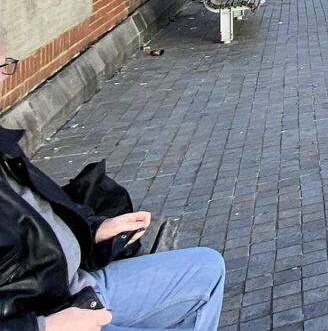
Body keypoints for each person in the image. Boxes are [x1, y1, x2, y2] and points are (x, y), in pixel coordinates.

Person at [0, 52, 225, 331]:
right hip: (50, 316)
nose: (3, 80)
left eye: (2, 65)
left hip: (76, 289)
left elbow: (41, 219)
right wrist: (44, 326)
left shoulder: (3, 146)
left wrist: (94, 231)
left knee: (207, 268)